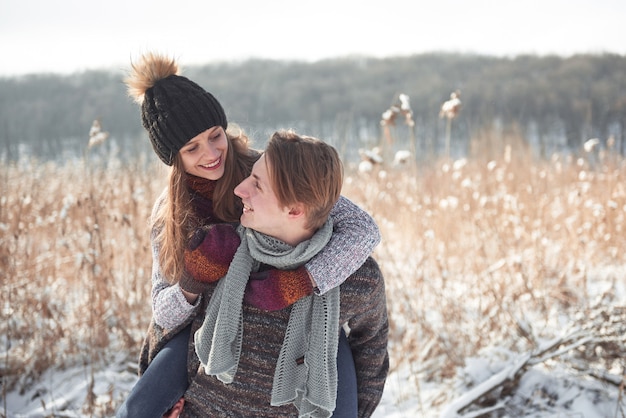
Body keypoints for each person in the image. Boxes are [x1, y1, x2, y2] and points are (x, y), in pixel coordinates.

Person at [116, 53, 381, 417]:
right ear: (172, 156)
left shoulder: (266, 173)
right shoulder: (171, 215)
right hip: (206, 322)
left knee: (340, 402)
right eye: (192, 148)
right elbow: (162, 310)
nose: (211, 153)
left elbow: (362, 228)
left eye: (215, 136)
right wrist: (192, 284)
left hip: (306, 311)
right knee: (140, 409)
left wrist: (302, 280)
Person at [185, 130, 389, 417]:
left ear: (295, 210)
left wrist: (358, 410)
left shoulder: (356, 278)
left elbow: (372, 344)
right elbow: (179, 328)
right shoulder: (221, 248)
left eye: (257, 185)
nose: (239, 189)